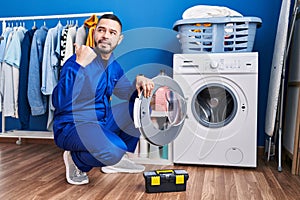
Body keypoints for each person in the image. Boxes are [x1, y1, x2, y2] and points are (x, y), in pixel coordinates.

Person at [52, 14, 154, 185]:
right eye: (101, 30)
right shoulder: (78, 60)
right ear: (94, 34)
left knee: (140, 104)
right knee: (115, 149)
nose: (106, 35)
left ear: (119, 39)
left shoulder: (113, 65)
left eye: (112, 32)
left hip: (100, 122)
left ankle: (116, 161)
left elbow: (127, 93)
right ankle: (76, 160)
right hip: (72, 126)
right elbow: (59, 102)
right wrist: (78, 65)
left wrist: (140, 79)